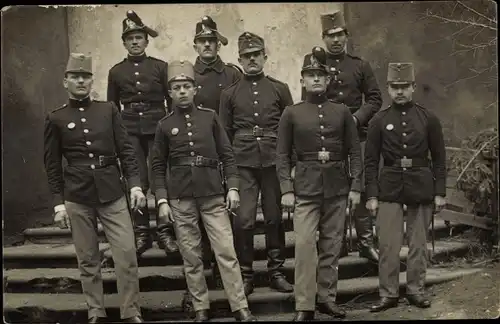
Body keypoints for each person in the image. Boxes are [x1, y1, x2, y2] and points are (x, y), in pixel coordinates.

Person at [150, 59, 256, 322]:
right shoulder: (164, 125)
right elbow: (157, 165)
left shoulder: (210, 118)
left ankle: (239, 306)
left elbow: (227, 156)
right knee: (191, 255)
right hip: (181, 197)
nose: (183, 91)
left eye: (187, 86)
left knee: (226, 252)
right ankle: (201, 308)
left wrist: (232, 188)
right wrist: (162, 200)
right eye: (177, 87)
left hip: (212, 195)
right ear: (171, 93)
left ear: (195, 89)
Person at [44, 53, 146, 323]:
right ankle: (95, 311)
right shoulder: (56, 118)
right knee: (88, 258)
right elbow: (52, 164)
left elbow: (126, 150)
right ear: (65, 82)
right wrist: (58, 204)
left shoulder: (108, 110)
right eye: (75, 77)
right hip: (77, 196)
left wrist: (135, 186)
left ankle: (131, 311)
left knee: (126, 254)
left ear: (92, 81)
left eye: (85, 76)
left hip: (112, 191)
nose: (81, 81)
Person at [277, 46, 363, 321]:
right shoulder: (292, 113)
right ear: (302, 80)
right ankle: (304, 305)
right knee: (303, 246)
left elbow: (354, 152)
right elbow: (281, 155)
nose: (315, 79)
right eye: (310, 75)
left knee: (332, 245)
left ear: (328, 81)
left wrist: (356, 187)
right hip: (305, 189)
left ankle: (327, 298)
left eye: (320, 75)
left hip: (337, 188)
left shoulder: (342, 112)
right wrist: (286, 190)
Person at [365, 62, 447, 312]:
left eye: (404, 87)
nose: (399, 92)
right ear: (388, 88)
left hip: (420, 184)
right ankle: (388, 293)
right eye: (394, 87)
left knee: (418, 243)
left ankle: (415, 290)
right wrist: (371, 195)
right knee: (388, 244)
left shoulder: (428, 118)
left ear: (413, 87)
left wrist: (440, 192)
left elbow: (440, 158)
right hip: (389, 186)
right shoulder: (379, 120)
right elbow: (370, 161)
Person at [302, 10, 382, 262]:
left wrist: (356, 118)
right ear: (323, 37)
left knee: (359, 182)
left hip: (356, 133)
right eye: (330, 35)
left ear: (346, 36)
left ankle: (365, 240)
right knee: (331, 187)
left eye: (339, 34)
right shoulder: (314, 63)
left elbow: (375, 98)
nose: (335, 40)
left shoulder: (359, 65)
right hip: (325, 137)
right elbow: (307, 99)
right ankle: (336, 242)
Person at [219, 31, 294, 296]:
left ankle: (276, 271)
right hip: (243, 164)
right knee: (244, 221)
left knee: (274, 218)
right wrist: (229, 173)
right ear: (239, 59)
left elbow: (290, 129)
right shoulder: (229, 94)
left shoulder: (279, 88)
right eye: (246, 56)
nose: (252, 60)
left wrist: (289, 167)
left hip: (273, 162)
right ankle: (246, 274)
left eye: (256, 55)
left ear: (264, 56)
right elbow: (225, 135)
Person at [107, 10, 177, 256]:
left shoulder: (160, 67)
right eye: (130, 38)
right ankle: (141, 233)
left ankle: (166, 231)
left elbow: (172, 103)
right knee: (135, 178)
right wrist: (118, 137)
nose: (135, 42)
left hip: (157, 126)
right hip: (130, 131)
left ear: (147, 41)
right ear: (124, 43)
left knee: (161, 178)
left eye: (139, 37)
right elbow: (112, 108)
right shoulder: (116, 72)